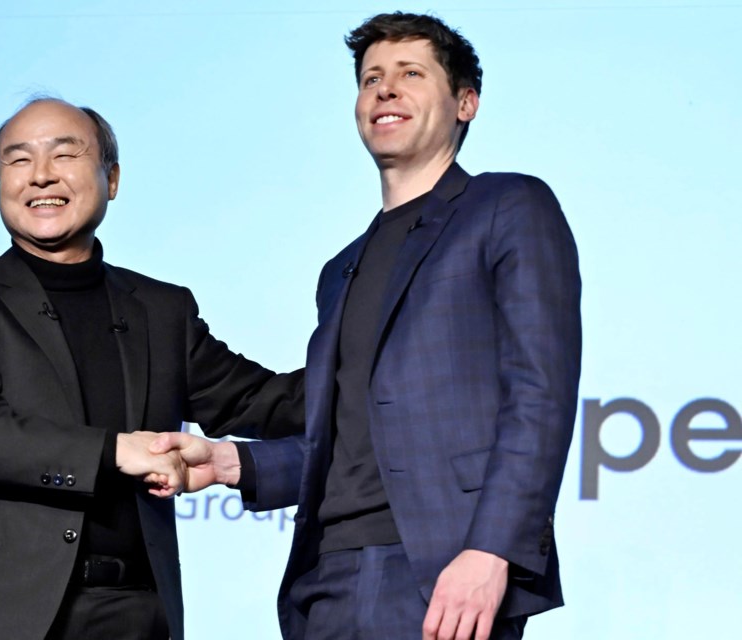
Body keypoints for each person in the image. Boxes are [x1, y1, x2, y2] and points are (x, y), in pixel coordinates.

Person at [152, 11, 582, 640]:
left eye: (411, 73)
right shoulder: (341, 269)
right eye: (371, 77)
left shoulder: (507, 206)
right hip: (327, 578)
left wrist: (492, 551)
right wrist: (228, 465)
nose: (385, 89)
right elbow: (352, 436)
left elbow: (540, 393)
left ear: (466, 103)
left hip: (442, 573)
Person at [0, 97, 302, 640]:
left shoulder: (162, 309)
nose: (41, 175)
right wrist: (119, 451)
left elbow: (264, 402)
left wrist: (375, 363)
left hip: (137, 611)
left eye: (64, 154)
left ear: (111, 178)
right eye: (18, 161)